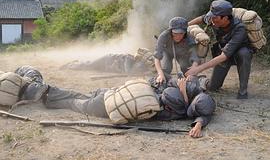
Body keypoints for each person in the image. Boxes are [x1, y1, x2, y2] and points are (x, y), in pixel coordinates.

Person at [13, 65, 215, 138]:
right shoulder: (183, 90)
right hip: (118, 98)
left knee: (81, 99)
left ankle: (46, 92)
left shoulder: (192, 100)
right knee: (79, 102)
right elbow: (159, 80)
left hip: (115, 99)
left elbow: (204, 114)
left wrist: (198, 124)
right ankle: (45, 92)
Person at [187, 0, 253, 99]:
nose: (212, 20)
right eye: (211, 16)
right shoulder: (213, 18)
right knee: (213, 87)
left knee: (244, 53)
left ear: (225, 18)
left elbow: (224, 56)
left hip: (235, 55)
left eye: (215, 18)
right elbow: (201, 18)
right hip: (223, 54)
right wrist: (185, 27)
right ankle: (204, 81)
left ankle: (243, 91)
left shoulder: (239, 28)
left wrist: (198, 69)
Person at [154, 17, 200, 84]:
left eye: (181, 33)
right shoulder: (163, 36)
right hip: (167, 52)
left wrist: (193, 68)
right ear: (171, 30)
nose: (178, 36)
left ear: (185, 32)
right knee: (165, 68)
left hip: (182, 54)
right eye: (175, 33)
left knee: (187, 69)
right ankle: (164, 81)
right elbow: (157, 57)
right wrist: (160, 74)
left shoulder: (189, 38)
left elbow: (195, 56)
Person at [60, 48, 156, 74]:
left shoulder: (137, 64)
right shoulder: (129, 58)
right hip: (106, 60)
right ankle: (70, 65)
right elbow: (128, 72)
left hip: (106, 67)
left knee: (89, 65)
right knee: (88, 65)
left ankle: (76, 63)